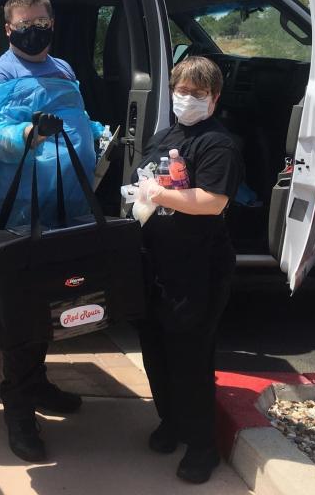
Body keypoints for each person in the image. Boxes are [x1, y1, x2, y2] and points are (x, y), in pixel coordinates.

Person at [0, 0, 102, 463]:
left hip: (66, 206)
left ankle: (40, 384)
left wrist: (98, 131)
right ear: (9, 29)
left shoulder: (64, 69)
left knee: (53, 303)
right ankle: (20, 413)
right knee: (20, 315)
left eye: (42, 21)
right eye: (26, 23)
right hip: (19, 210)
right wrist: (23, 134)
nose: (36, 29)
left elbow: (76, 120)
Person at [134, 56, 243, 484]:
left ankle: (202, 446)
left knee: (191, 357)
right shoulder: (166, 135)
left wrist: (157, 195)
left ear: (214, 98)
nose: (188, 99)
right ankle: (171, 422)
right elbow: (147, 180)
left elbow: (212, 201)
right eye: (182, 90)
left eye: (198, 94)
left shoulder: (218, 144)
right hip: (156, 263)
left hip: (198, 268)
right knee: (156, 350)